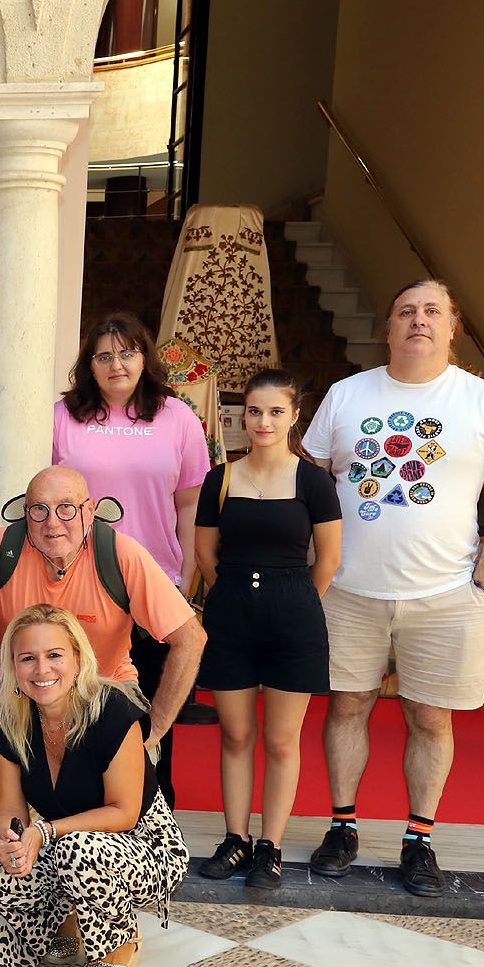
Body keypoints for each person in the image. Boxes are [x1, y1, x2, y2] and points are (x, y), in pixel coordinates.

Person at [302, 279, 484, 898]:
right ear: (387, 328)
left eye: (432, 311)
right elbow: (306, 489)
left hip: (447, 594)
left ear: (452, 327)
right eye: (405, 311)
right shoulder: (346, 394)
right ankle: (342, 827)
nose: (418, 320)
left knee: (430, 717)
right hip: (349, 591)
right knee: (348, 706)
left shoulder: (483, 400)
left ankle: (420, 839)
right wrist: (314, 572)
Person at [0, 606, 189, 967]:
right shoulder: (10, 723)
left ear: (78, 659)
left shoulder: (113, 711)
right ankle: (68, 914)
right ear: (13, 666)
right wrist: (7, 839)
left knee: (77, 851)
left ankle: (120, 936)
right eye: (27, 658)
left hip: (144, 845)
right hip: (60, 838)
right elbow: (11, 809)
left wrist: (45, 833)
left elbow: (124, 813)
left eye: (54, 655)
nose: (42, 670)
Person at [0, 466, 207, 785]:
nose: (53, 523)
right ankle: (17, 832)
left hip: (103, 685)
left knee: (128, 769)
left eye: (67, 508)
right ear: (25, 513)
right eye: (39, 510)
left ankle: (95, 832)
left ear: (90, 511)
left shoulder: (121, 555)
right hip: (12, 686)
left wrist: (157, 728)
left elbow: (190, 638)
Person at [54, 312, 211, 801]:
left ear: (145, 357)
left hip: (154, 580)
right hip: (77, 579)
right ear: (89, 364)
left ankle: (153, 808)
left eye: (127, 352)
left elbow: (190, 503)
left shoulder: (177, 416)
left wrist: (186, 577)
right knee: (77, 698)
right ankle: (83, 806)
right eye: (104, 355)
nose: (116, 364)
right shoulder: (62, 416)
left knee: (149, 700)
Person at [193, 370, 341, 889]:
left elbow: (328, 559)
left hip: (293, 618)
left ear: (294, 415)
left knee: (281, 741)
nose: (263, 421)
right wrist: (235, 596)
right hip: (231, 614)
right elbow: (206, 555)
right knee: (235, 735)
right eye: (254, 411)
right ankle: (236, 839)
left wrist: (293, 602)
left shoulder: (314, 482)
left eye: (275, 412)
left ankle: (270, 847)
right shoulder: (222, 477)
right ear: (242, 416)